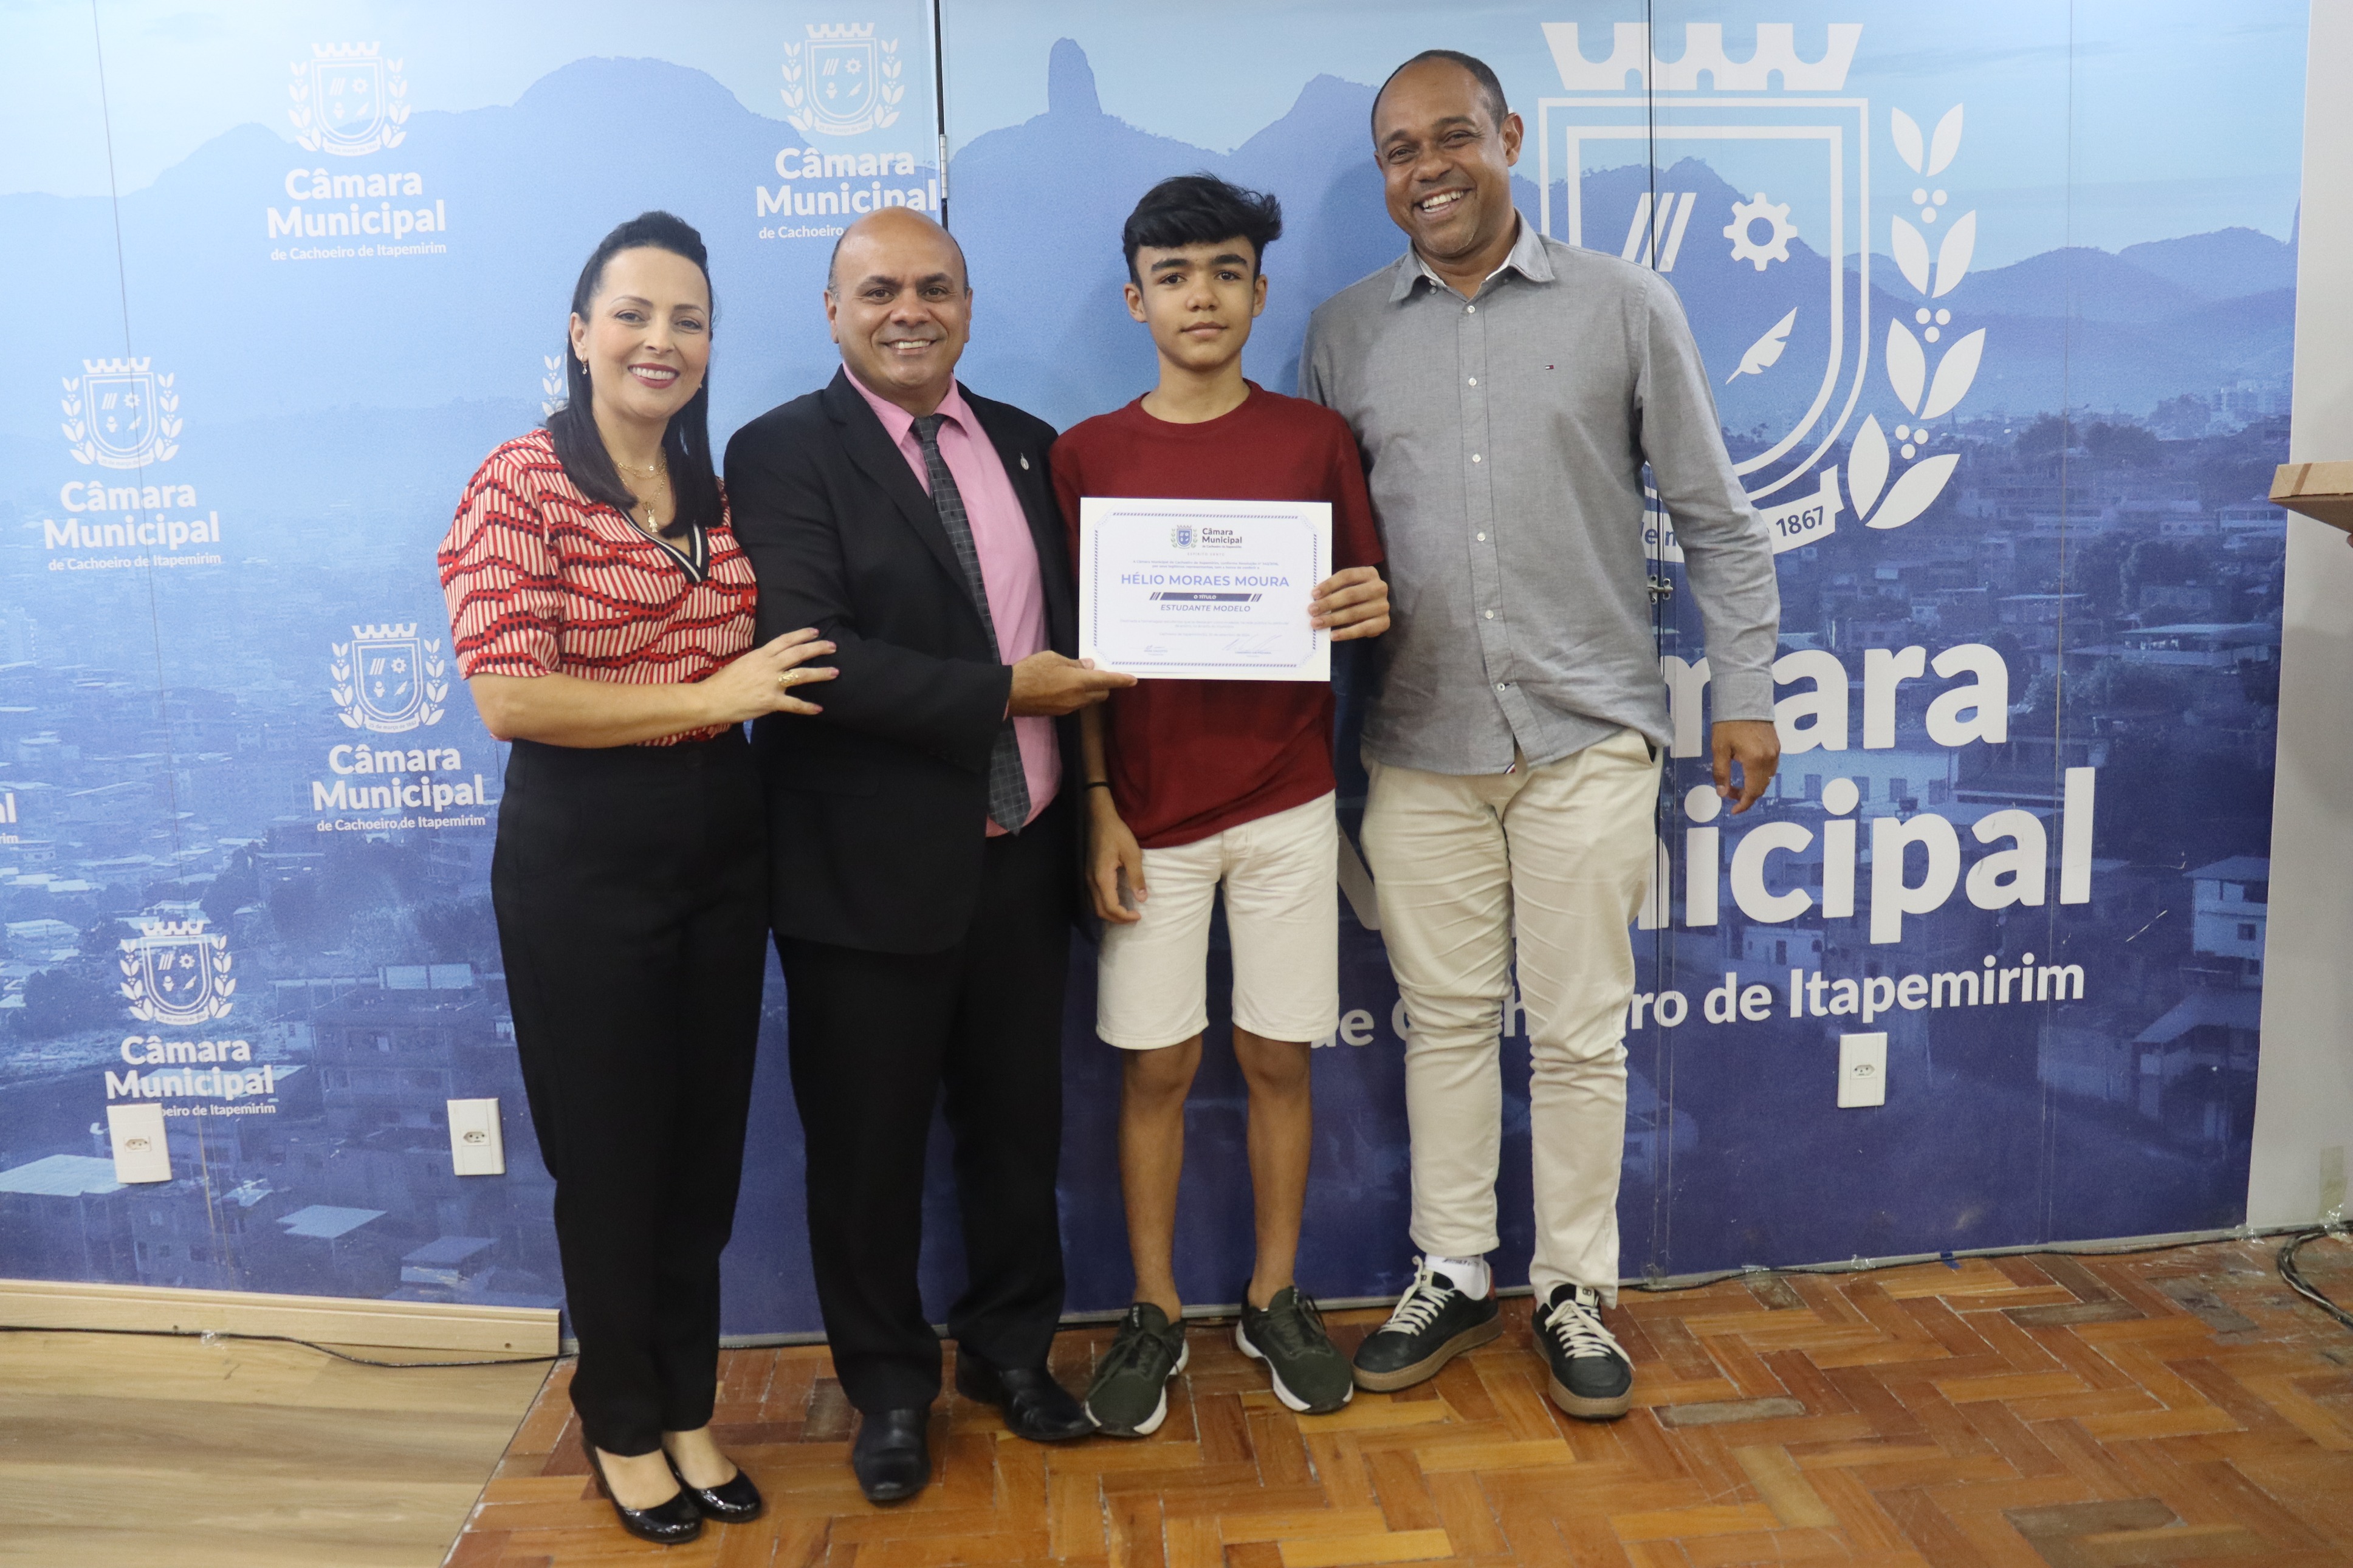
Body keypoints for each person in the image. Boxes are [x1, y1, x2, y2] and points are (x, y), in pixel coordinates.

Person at [1299, 52, 1782, 1420]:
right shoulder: (1343, 333)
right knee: (1445, 1025)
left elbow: (1716, 517)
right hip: (1417, 737)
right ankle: (1454, 1268)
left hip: (1586, 731)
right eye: (1400, 151)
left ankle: (1574, 1286)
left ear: (1510, 136)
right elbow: (1318, 532)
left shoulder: (1626, 305)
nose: (1429, 168)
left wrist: (1743, 689)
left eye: (1453, 137)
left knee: (1578, 1034)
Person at [439, 211, 837, 1545]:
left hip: (721, 835)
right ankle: (619, 1420)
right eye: (634, 314)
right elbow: (509, 697)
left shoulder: (709, 486)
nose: (661, 340)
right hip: (585, 850)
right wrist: (709, 693)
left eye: (689, 320)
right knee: (612, 1157)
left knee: (701, 1152)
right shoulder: (520, 481)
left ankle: (686, 1405)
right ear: (579, 332)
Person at [723, 207, 1132, 1505]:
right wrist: (1007, 689)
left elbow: (1094, 627)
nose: (911, 310)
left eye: (936, 287)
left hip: (1024, 851)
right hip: (864, 872)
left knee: (1017, 1132)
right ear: (832, 311)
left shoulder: (1029, 444)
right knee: (868, 1153)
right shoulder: (779, 450)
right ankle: (891, 1391)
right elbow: (813, 657)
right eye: (880, 290)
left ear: (967, 303)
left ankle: (1012, 1356)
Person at [1048, 175, 1390, 1435]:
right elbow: (1076, 658)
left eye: (1227, 272)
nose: (1203, 296)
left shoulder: (1314, 440)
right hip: (1147, 812)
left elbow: (1365, 593)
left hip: (1289, 799)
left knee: (1277, 1056)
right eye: (1175, 275)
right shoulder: (1086, 455)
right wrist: (1098, 800)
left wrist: (1366, 602)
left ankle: (1273, 1293)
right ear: (1135, 298)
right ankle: (1152, 1308)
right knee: (1157, 1065)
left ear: (1260, 292)